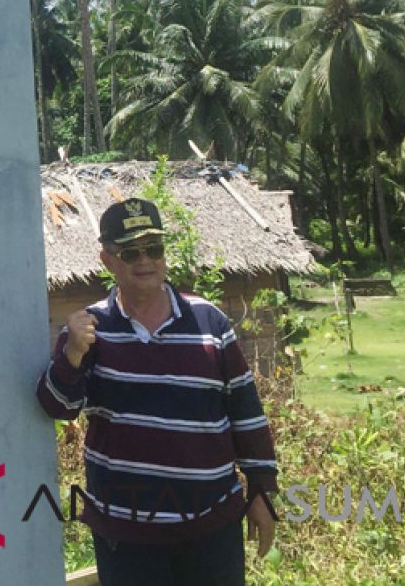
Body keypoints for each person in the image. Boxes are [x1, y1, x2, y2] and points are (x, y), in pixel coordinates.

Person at [37, 198, 277, 586]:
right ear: (107, 260)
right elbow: (57, 407)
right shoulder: (88, 329)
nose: (144, 260)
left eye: (155, 249)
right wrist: (71, 355)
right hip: (125, 534)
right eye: (130, 252)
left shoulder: (209, 322)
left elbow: (246, 412)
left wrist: (262, 492)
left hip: (211, 526)